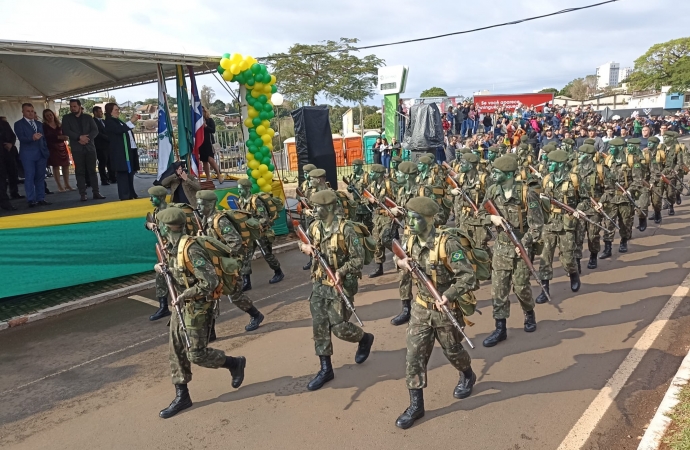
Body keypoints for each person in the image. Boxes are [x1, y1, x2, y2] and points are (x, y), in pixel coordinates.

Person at [153, 207, 246, 419]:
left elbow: (210, 282)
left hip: (198, 306)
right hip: (182, 305)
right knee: (176, 349)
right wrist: (160, 267)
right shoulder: (171, 247)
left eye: (162, 228)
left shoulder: (191, 249)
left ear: (168, 228)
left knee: (196, 354)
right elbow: (174, 268)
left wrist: (186, 294)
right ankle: (182, 395)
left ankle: (234, 363)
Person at [393, 196, 477, 429]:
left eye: (415, 218)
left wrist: (449, 295)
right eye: (408, 217)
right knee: (413, 357)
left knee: (453, 351)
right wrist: (400, 263)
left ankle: (468, 374)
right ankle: (416, 406)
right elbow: (398, 256)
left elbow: (468, 276)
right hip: (421, 307)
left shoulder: (447, 244)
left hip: (444, 310)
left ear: (429, 220)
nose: (409, 222)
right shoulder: (409, 240)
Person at [298, 189, 375, 391]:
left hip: (341, 284)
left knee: (340, 327)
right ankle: (326, 369)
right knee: (320, 326)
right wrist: (304, 248)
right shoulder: (314, 227)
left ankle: (364, 338)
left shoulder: (346, 230)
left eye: (319, 207)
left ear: (330, 207)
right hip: (319, 283)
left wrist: (341, 271)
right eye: (313, 207)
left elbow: (358, 259)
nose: (314, 210)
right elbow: (303, 241)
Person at [481, 155, 543, 347]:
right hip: (501, 247)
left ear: (508, 174)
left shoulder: (527, 194)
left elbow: (537, 225)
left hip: (521, 247)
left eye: (497, 172)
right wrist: (492, 219)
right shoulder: (492, 191)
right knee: (498, 289)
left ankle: (529, 312)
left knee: (521, 287)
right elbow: (480, 213)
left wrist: (523, 244)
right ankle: (500, 328)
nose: (493, 175)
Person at [196, 190, 265, 332]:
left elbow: (236, 242)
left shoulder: (220, 221)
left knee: (234, 295)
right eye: (198, 205)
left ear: (211, 204)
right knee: (210, 295)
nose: (199, 208)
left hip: (227, 264)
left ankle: (256, 315)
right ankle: (211, 331)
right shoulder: (204, 219)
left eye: (201, 205)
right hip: (214, 264)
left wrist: (219, 253)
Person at [535, 150, 582, 304]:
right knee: (545, 258)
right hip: (549, 223)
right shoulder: (547, 179)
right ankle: (544, 289)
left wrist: (579, 209)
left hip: (566, 223)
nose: (549, 165)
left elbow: (585, 199)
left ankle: (573, 273)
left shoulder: (574, 179)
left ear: (560, 163)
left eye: (552, 162)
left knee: (568, 258)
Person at [236, 178, 285, 291]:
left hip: (261, 233)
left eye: (241, 190)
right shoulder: (241, 200)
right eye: (238, 190)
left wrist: (251, 223)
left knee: (267, 254)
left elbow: (264, 219)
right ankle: (246, 281)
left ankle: (278, 272)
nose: (239, 192)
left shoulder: (256, 201)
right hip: (250, 234)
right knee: (246, 256)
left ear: (247, 189)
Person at [61, 99, 104, 201]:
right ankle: (82, 194)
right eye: (71, 106)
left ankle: (96, 192)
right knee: (79, 171)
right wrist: (79, 137)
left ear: (80, 106)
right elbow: (66, 130)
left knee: (92, 171)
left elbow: (95, 130)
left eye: (74, 106)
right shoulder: (66, 118)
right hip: (77, 148)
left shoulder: (88, 117)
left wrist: (86, 138)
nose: (72, 108)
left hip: (90, 147)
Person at [13, 103, 51, 208]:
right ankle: (31, 199)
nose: (30, 113)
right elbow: (21, 138)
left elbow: (43, 139)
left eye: (32, 111)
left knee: (40, 177)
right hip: (28, 155)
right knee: (29, 177)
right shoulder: (18, 124)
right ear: (23, 112)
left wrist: (45, 151)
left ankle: (41, 198)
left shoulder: (39, 124)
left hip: (41, 154)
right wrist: (32, 138)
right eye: (28, 111)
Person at [104, 103, 140, 200]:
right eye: (116, 110)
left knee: (129, 173)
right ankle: (125, 195)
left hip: (127, 151)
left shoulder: (118, 121)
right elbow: (120, 130)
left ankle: (131, 193)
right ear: (110, 111)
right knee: (123, 174)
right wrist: (131, 121)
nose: (118, 111)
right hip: (120, 153)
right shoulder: (109, 122)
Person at [365, 164, 395, 278]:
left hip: (388, 216)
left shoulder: (389, 185)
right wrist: (369, 199)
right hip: (377, 217)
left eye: (372, 172)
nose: (370, 174)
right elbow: (364, 196)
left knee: (385, 239)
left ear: (379, 174)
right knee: (377, 242)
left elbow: (399, 199)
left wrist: (395, 210)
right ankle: (379, 267)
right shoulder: (372, 186)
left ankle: (401, 254)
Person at [42, 109, 74, 193]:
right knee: (56, 166)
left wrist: (65, 136)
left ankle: (67, 184)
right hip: (52, 147)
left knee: (66, 165)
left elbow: (64, 133)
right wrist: (58, 137)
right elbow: (45, 137)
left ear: (53, 115)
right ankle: (60, 186)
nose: (50, 117)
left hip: (62, 146)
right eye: (47, 115)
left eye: (51, 114)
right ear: (45, 117)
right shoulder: (44, 126)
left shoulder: (59, 124)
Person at [199, 106, 225, 184]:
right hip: (201, 143)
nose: (202, 113)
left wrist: (206, 126)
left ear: (205, 112)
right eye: (201, 111)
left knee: (211, 160)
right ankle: (208, 178)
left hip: (209, 142)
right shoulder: (197, 122)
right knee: (204, 161)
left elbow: (213, 130)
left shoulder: (210, 120)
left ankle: (219, 175)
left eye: (203, 111)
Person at [93, 106, 116, 186]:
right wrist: (107, 138)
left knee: (110, 161)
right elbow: (97, 133)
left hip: (108, 145)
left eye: (101, 111)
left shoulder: (103, 121)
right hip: (100, 145)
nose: (101, 113)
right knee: (103, 162)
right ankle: (104, 179)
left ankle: (112, 177)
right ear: (95, 112)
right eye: (99, 112)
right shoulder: (93, 121)